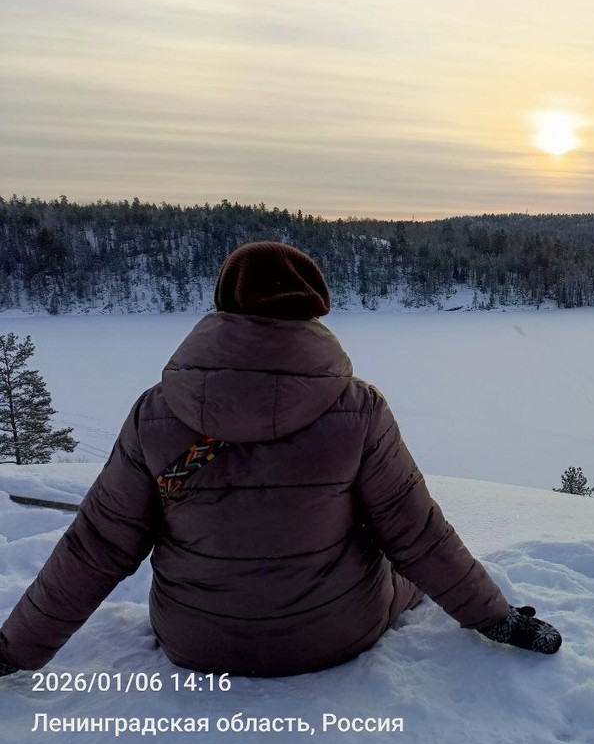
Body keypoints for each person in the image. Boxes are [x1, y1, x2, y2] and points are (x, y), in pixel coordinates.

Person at [0, 241, 560, 679]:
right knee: (393, 559)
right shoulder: (359, 408)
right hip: (337, 636)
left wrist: (13, 650)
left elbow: (97, 545)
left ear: (224, 301)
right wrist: (496, 618)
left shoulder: (156, 413)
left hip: (196, 642)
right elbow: (416, 533)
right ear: (314, 306)